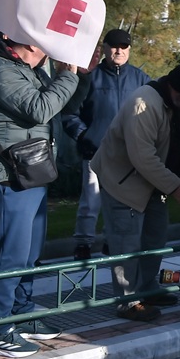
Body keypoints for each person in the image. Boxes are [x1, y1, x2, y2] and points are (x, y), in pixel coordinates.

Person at [0, 30, 78, 357]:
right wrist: (67, 76)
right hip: (7, 176)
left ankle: (23, 313)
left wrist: (60, 77)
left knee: (29, 252)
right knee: (10, 255)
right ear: (28, 45)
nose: (47, 52)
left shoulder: (25, 68)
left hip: (30, 170)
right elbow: (39, 109)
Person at [92, 60, 180, 322]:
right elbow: (143, 157)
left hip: (152, 182)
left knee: (154, 240)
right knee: (127, 243)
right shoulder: (143, 104)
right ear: (178, 91)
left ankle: (147, 289)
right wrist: (176, 187)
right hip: (122, 182)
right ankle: (128, 301)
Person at [62, 28, 151, 261]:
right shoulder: (91, 78)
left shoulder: (142, 80)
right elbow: (70, 114)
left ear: (130, 49)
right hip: (95, 152)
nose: (118, 50)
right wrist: (84, 136)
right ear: (104, 48)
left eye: (123, 46)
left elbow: (154, 114)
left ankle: (112, 241)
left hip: (127, 155)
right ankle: (83, 243)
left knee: (122, 203)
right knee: (90, 202)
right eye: (114, 46)